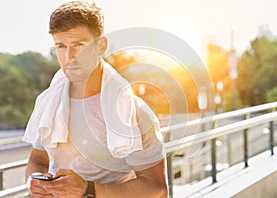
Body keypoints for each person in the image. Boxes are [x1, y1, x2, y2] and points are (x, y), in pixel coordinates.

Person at [22, 1, 168, 198]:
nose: (69, 57)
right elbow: (37, 160)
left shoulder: (133, 111)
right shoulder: (48, 103)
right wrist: (35, 183)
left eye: (78, 45)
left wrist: (88, 190)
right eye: (61, 46)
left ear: (101, 46)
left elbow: (157, 189)